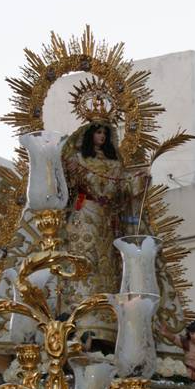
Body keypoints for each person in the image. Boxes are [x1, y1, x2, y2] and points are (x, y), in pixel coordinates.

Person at [60, 122, 149, 342]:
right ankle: (78, 315)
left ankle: (106, 320)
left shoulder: (114, 165)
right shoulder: (78, 160)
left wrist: (139, 180)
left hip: (106, 221)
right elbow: (69, 186)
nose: (101, 136)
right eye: (98, 132)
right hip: (83, 215)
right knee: (84, 261)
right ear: (90, 134)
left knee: (105, 265)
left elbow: (121, 190)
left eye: (105, 133)